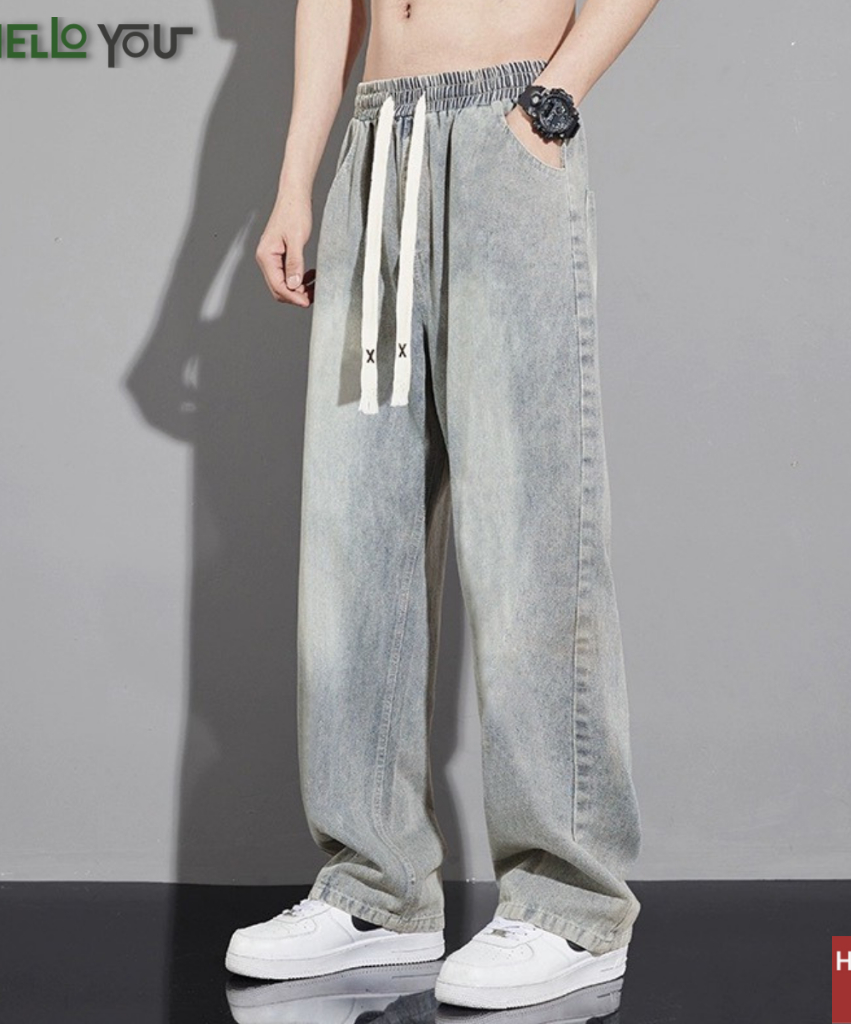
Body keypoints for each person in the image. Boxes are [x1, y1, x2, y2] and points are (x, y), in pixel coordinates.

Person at [225, 0, 662, 1010]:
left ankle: (570, 904)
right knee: (355, 530)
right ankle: (374, 890)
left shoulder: (526, 120)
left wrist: (551, 101)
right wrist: (296, 179)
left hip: (505, 124)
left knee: (527, 527)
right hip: (377, 140)